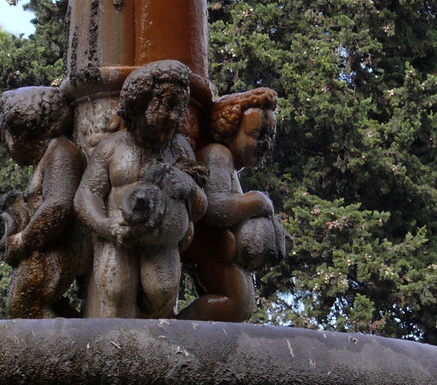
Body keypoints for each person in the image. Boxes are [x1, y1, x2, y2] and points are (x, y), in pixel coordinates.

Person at [74, 61, 207, 318]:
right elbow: (86, 194)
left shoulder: (179, 149)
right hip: (119, 237)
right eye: (165, 106)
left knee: (162, 295)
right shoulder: (112, 147)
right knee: (117, 294)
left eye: (178, 109)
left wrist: (190, 189)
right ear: (138, 104)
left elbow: (201, 207)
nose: (173, 117)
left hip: (162, 243)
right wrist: (105, 226)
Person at [179, 87, 290, 322]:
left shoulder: (230, 166)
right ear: (230, 128)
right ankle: (180, 327)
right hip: (211, 246)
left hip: (224, 251)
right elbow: (216, 207)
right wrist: (256, 201)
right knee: (235, 305)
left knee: (240, 306)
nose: (264, 143)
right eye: (258, 134)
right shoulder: (217, 154)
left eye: (270, 136)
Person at [0, 86, 90, 318]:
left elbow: (59, 205)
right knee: (26, 301)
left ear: (23, 133)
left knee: (24, 303)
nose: (6, 148)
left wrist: (24, 240)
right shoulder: (48, 155)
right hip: (53, 245)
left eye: (5, 138)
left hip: (63, 246)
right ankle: (72, 329)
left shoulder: (61, 152)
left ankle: (68, 348)